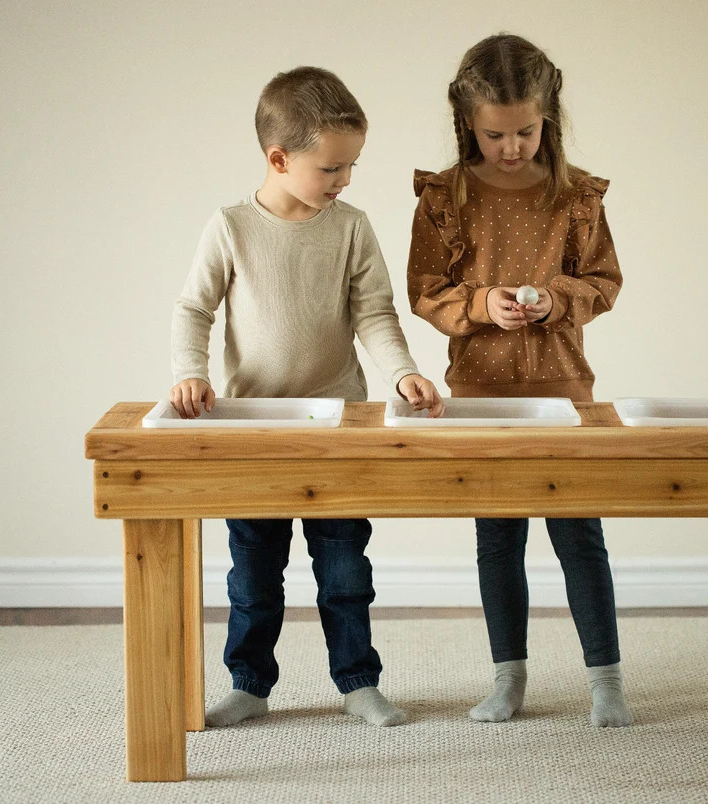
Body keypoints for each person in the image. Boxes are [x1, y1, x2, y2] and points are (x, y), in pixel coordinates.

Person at [171, 66, 443, 728]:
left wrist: (401, 372)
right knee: (253, 579)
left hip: (338, 425)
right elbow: (194, 309)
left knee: (346, 570)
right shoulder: (230, 227)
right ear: (278, 157)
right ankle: (249, 684)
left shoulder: (350, 227)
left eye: (351, 166)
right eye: (331, 168)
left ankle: (357, 682)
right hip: (253, 430)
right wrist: (189, 371)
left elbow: (375, 313)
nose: (344, 180)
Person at [407, 34, 633, 728]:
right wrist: (481, 304)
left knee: (579, 538)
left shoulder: (576, 197)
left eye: (525, 132)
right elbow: (424, 289)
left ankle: (607, 680)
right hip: (480, 397)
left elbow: (605, 281)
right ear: (467, 124)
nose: (511, 146)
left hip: (564, 391)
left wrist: (555, 297)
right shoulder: (446, 199)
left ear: (549, 118)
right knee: (497, 540)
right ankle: (508, 677)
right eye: (495, 133)